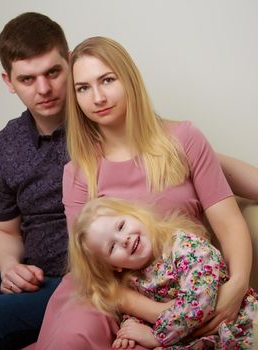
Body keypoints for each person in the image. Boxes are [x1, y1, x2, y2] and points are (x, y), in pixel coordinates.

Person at [35, 36, 254, 349]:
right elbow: (93, 272)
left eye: (107, 80)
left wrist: (238, 283)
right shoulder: (78, 172)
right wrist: (159, 313)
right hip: (111, 297)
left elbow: (229, 223)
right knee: (73, 336)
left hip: (184, 288)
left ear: (129, 79)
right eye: (83, 88)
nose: (97, 97)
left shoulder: (184, 138)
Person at [0, 12, 70, 349]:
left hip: (82, 285)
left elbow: (176, 147)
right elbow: (4, 230)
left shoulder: (101, 116)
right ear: (8, 81)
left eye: (52, 72)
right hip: (34, 277)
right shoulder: (7, 144)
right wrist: (9, 268)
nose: (44, 89)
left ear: (70, 62)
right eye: (28, 79)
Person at [69, 196, 258, 349]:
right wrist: (130, 329)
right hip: (196, 338)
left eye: (121, 226)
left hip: (239, 327)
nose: (123, 239)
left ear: (136, 215)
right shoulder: (134, 280)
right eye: (111, 247)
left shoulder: (184, 245)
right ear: (114, 266)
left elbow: (197, 302)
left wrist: (157, 337)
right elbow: (142, 313)